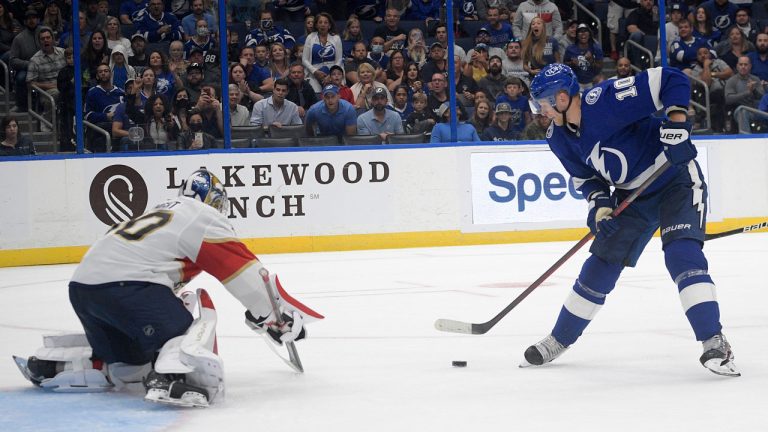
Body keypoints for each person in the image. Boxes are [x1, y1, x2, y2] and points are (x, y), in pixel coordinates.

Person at [16, 169, 321, 407]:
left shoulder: (159, 213)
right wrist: (276, 317)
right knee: (186, 327)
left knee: (131, 366)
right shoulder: (202, 216)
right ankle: (171, 378)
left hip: (83, 290)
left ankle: (57, 367)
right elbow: (244, 272)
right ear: (214, 201)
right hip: (127, 286)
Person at [523, 63, 739, 377]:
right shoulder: (557, 137)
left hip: (675, 177)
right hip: (631, 195)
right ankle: (560, 339)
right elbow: (586, 179)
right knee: (600, 264)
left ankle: (713, 340)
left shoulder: (605, 100)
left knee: (681, 255)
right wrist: (599, 207)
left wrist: (677, 125)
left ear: (562, 96)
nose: (540, 110)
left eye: (543, 102)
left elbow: (671, 79)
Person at [302, 12, 343, 92]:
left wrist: (331, 75)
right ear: (316, 25)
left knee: (333, 92)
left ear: (329, 25)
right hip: (314, 71)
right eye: (320, 22)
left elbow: (339, 59)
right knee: (314, 93)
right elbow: (304, 59)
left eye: (325, 22)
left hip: (333, 72)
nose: (323, 24)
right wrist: (315, 71)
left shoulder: (336, 38)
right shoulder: (310, 37)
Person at [725, 55, 765, 132]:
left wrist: (754, 90)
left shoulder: (755, 79)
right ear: (737, 66)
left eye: (746, 65)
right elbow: (728, 99)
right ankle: (745, 137)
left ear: (750, 66)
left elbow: (762, 98)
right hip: (738, 110)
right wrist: (748, 92)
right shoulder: (732, 81)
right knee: (742, 111)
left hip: (754, 109)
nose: (743, 67)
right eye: (741, 64)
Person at [563, 24, 604, 90]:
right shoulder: (570, 49)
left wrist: (591, 60)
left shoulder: (596, 48)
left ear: (589, 34)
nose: (583, 34)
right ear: (577, 35)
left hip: (592, 82)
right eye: (580, 31)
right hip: (576, 82)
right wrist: (572, 63)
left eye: (585, 31)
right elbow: (565, 65)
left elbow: (600, 68)